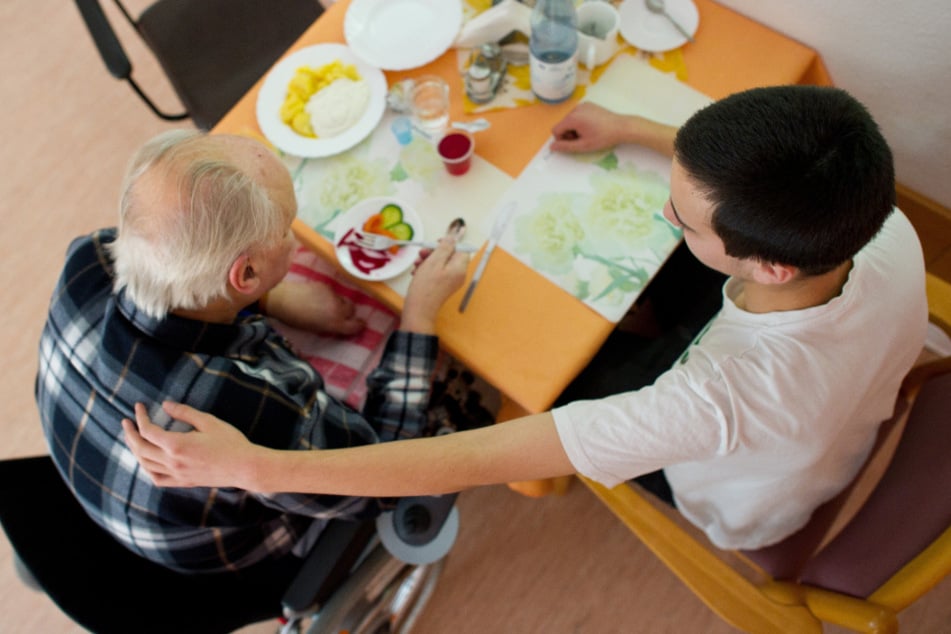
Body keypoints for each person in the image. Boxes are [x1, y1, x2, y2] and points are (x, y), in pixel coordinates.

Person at [123, 86, 929, 552]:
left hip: (742, 502)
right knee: (651, 297)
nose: (667, 214)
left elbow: (463, 459)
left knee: (558, 373)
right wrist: (631, 130)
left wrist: (257, 468)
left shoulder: (710, 403)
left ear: (768, 264)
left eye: (683, 218)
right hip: (839, 398)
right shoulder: (878, 221)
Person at [36, 129, 470, 590]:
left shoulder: (88, 258)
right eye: (287, 228)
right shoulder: (244, 404)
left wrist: (274, 299)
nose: (293, 237)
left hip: (94, 466)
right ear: (245, 274)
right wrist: (419, 314)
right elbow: (383, 470)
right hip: (217, 552)